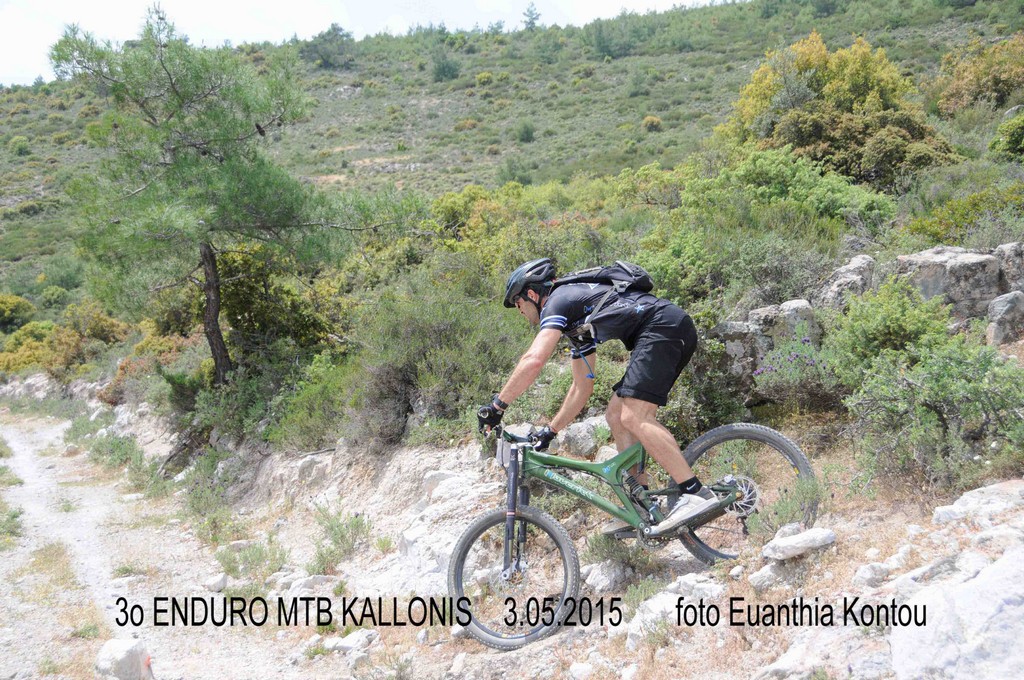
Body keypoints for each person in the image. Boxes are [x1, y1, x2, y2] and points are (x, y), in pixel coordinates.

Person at [477, 258, 717, 536]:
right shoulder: (575, 322)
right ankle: (643, 506)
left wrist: (497, 406)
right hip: (666, 328)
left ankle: (694, 492)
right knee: (615, 414)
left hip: (663, 328)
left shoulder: (558, 300)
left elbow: (534, 359)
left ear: (531, 294)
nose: (519, 310)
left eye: (518, 303)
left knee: (634, 415)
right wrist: (550, 431)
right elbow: (582, 387)